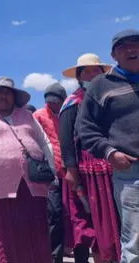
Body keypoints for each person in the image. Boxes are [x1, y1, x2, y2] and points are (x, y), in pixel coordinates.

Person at [0, 77, 55, 263]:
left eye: (8, 92)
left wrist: (52, 170)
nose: (4, 96)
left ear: (14, 97)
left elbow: (44, 141)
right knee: (7, 232)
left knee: (37, 229)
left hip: (34, 182)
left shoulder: (27, 116)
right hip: (1, 186)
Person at [77, 30, 139, 263]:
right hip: (131, 173)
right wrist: (110, 153)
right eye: (124, 47)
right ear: (114, 55)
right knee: (135, 243)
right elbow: (85, 130)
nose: (132, 50)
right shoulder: (101, 86)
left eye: (136, 44)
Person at [60, 53, 121, 263]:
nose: (92, 74)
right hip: (90, 170)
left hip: (116, 163)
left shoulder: (111, 97)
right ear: (79, 76)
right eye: (87, 71)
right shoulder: (72, 103)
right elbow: (66, 140)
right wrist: (71, 170)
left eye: (96, 70)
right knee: (99, 221)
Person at [33, 83, 69, 263]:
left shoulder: (67, 113)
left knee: (68, 215)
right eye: (50, 101)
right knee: (54, 215)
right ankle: (54, 257)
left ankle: (69, 251)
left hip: (70, 173)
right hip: (50, 176)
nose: (53, 104)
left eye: (56, 101)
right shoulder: (38, 116)